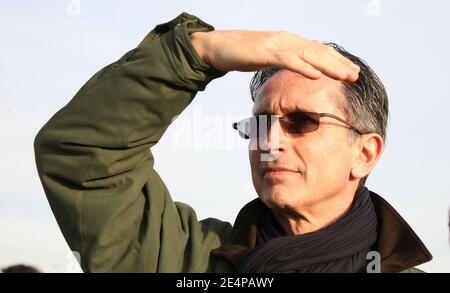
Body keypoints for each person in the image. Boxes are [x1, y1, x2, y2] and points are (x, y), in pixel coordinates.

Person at [34, 12, 432, 272]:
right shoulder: (187, 260)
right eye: (260, 124)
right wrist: (198, 53)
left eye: (301, 121)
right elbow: (83, 154)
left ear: (364, 153)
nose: (270, 141)